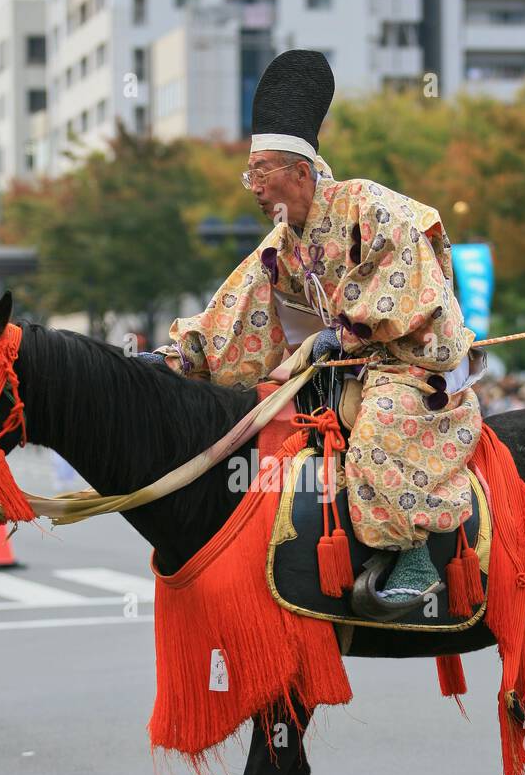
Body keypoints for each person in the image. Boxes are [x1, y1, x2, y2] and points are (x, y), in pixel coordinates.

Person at [155, 51, 484, 614]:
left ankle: (414, 554)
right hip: (347, 363)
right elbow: (239, 305)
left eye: (261, 174)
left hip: (413, 359)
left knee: (382, 428)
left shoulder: (371, 208)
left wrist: (347, 332)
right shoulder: (286, 239)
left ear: (301, 173)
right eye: (249, 175)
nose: (252, 188)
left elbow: (407, 285)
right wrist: (176, 359)